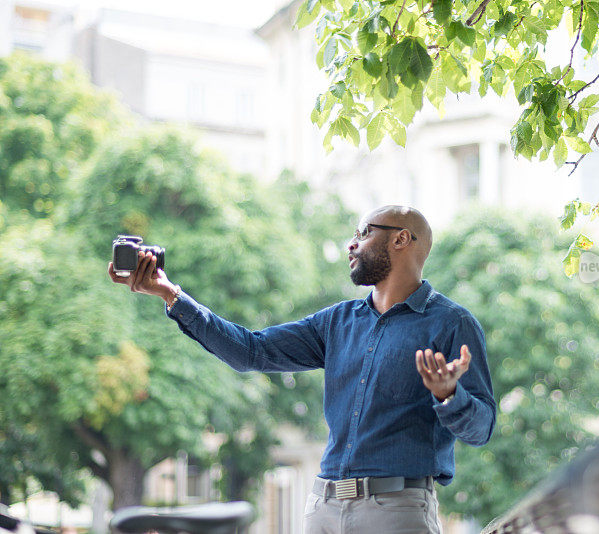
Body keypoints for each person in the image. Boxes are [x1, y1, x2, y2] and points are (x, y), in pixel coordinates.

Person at [108, 205, 496, 533]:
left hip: (396, 513)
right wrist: (172, 295)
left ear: (400, 239)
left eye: (364, 232)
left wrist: (449, 394)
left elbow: (481, 429)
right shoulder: (337, 322)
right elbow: (251, 351)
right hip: (323, 508)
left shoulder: (450, 324)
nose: (352, 243)